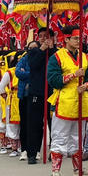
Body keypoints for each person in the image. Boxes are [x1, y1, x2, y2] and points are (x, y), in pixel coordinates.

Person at [46, 28, 88, 176]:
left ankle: (77, 168)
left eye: (80, 38)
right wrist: (73, 75)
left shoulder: (85, 57)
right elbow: (53, 80)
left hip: (82, 100)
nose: (78, 41)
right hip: (64, 101)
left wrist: (86, 85)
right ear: (66, 39)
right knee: (60, 136)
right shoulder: (56, 57)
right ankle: (56, 170)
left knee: (78, 137)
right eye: (75, 38)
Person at [18, 27, 54, 164]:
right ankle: (32, 153)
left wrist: (50, 49)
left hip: (51, 93)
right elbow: (33, 65)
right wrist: (42, 49)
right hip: (36, 92)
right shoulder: (33, 52)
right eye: (41, 36)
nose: (43, 38)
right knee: (34, 124)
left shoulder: (56, 52)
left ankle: (54, 151)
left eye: (46, 36)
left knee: (53, 124)